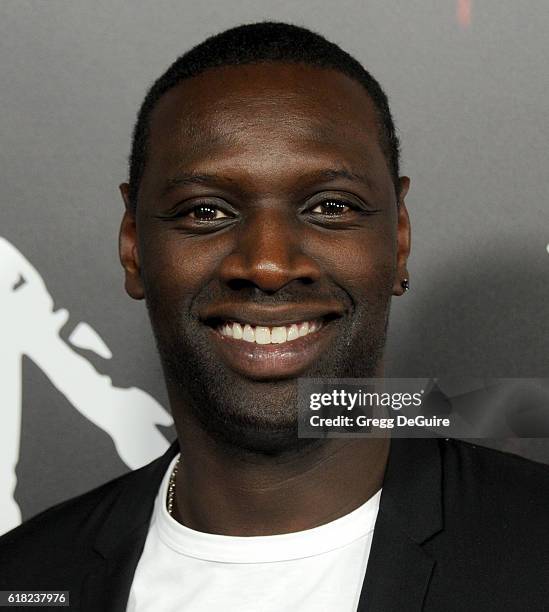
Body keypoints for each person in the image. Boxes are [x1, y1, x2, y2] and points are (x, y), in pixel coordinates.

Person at [1, 21, 548, 612]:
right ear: (134, 246)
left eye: (331, 206)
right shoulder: (26, 576)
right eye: (206, 210)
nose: (266, 263)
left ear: (400, 238)